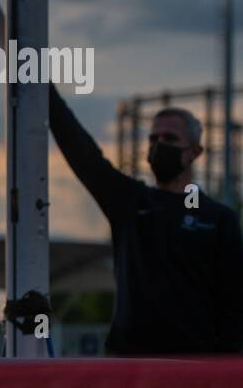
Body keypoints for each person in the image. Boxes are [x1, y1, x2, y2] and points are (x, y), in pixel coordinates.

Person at [49, 83, 243, 354]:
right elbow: (83, 153)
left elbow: (234, 308)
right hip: (130, 368)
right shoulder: (130, 203)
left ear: (195, 152)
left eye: (170, 138)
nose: (159, 145)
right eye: (153, 139)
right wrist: (43, 89)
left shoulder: (218, 219)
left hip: (194, 372)